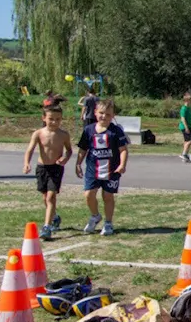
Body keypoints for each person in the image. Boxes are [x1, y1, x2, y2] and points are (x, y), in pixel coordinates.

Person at [75, 99, 129, 236]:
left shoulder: (116, 131)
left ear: (113, 116)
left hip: (112, 170)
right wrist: (78, 163)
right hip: (93, 170)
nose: (104, 116)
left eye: (108, 114)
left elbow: (123, 150)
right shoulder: (88, 130)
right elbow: (82, 149)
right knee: (88, 194)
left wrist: (122, 165)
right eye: (101, 113)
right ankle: (95, 216)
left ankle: (108, 223)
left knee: (108, 196)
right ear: (95, 113)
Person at [24, 105, 73, 240]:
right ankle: (55, 217)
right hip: (42, 168)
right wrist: (27, 163)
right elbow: (30, 149)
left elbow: (69, 150)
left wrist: (65, 158)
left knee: (51, 197)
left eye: (58, 119)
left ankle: (46, 227)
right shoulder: (38, 133)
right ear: (44, 118)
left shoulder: (63, 135)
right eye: (51, 119)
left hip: (56, 168)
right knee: (45, 197)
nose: (54, 122)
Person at [179, 93, 191, 162]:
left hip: (189, 126)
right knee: (190, 140)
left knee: (187, 141)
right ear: (186, 101)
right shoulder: (184, 108)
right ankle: (184, 154)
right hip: (185, 127)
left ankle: (185, 154)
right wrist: (186, 127)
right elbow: (183, 118)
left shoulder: (189, 108)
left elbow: (189, 118)